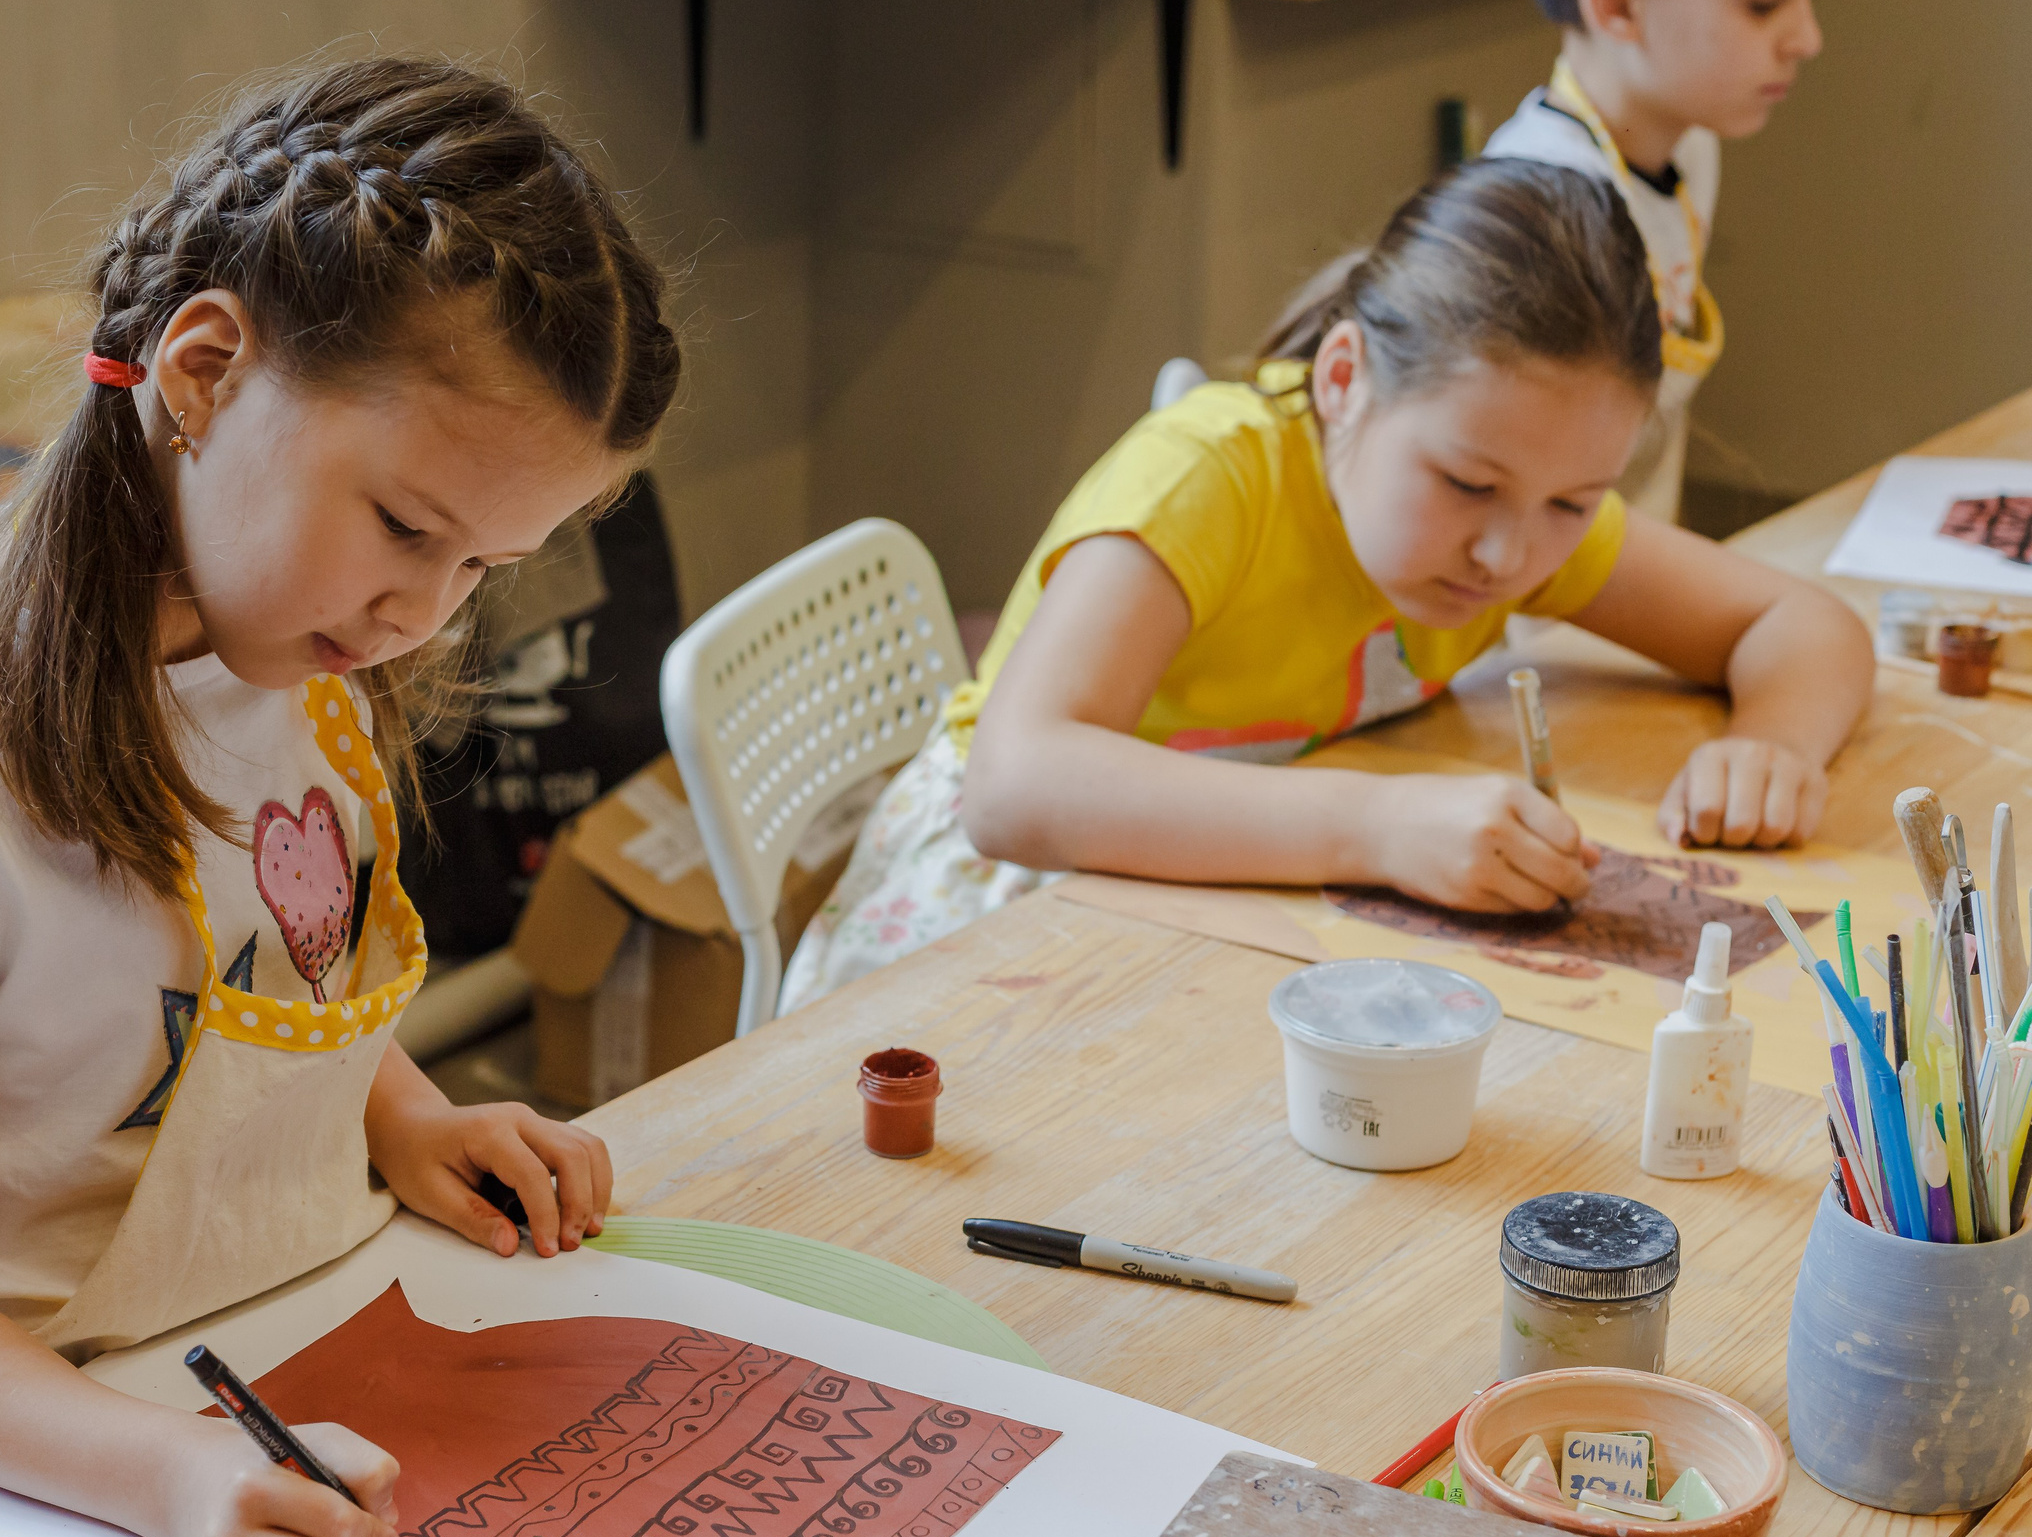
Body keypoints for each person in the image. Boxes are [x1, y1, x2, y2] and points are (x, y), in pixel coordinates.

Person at [0, 57, 677, 1537]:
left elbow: (237, 961)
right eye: (404, 526)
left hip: (309, 1342)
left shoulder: (291, 640)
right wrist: (174, 1475)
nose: (421, 613)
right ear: (203, 372)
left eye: (483, 565)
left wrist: (400, 1107)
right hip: (45, 1478)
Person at [780, 158, 1868, 1014]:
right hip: (1005, 914)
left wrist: (1772, 743)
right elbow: (1016, 791)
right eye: (1465, 482)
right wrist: (1378, 827)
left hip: (1233, 900)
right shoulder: (1212, 478)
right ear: (1343, 380)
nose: (1506, 556)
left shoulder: (1511, 504)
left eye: (1572, 505)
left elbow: (1799, 622)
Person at [1482, 0, 1823, 520]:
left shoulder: (1689, 147)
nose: (1807, 39)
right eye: (1763, 5)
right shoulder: (1543, 217)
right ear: (1619, 3)